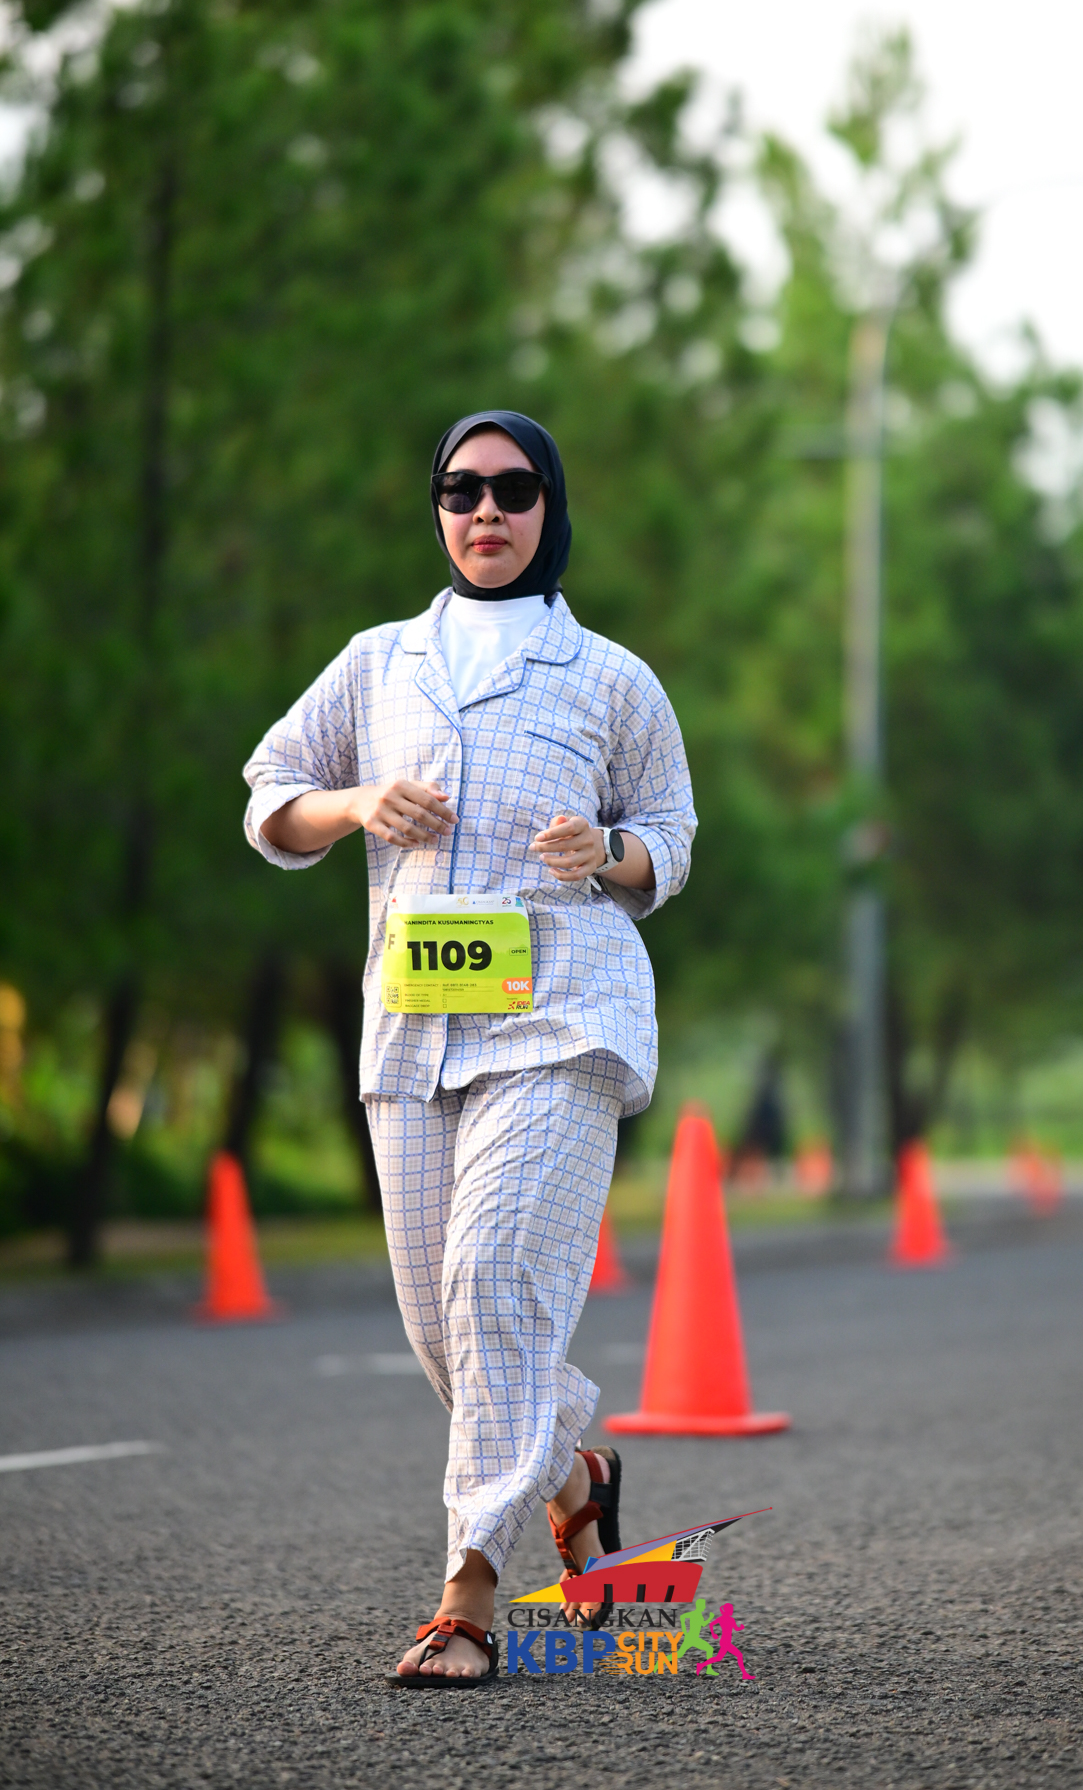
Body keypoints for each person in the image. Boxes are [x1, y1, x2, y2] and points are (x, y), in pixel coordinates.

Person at [243, 411, 694, 1688]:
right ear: (437, 509)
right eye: (459, 489)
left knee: (495, 1277)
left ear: (550, 505)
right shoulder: (376, 662)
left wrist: (607, 852)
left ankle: (469, 1593)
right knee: (443, 1329)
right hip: (414, 1031)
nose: (484, 510)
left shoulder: (610, 677)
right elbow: (271, 793)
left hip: (562, 1019)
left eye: (511, 488)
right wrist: (352, 804)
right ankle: (573, 1475)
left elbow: (670, 831)